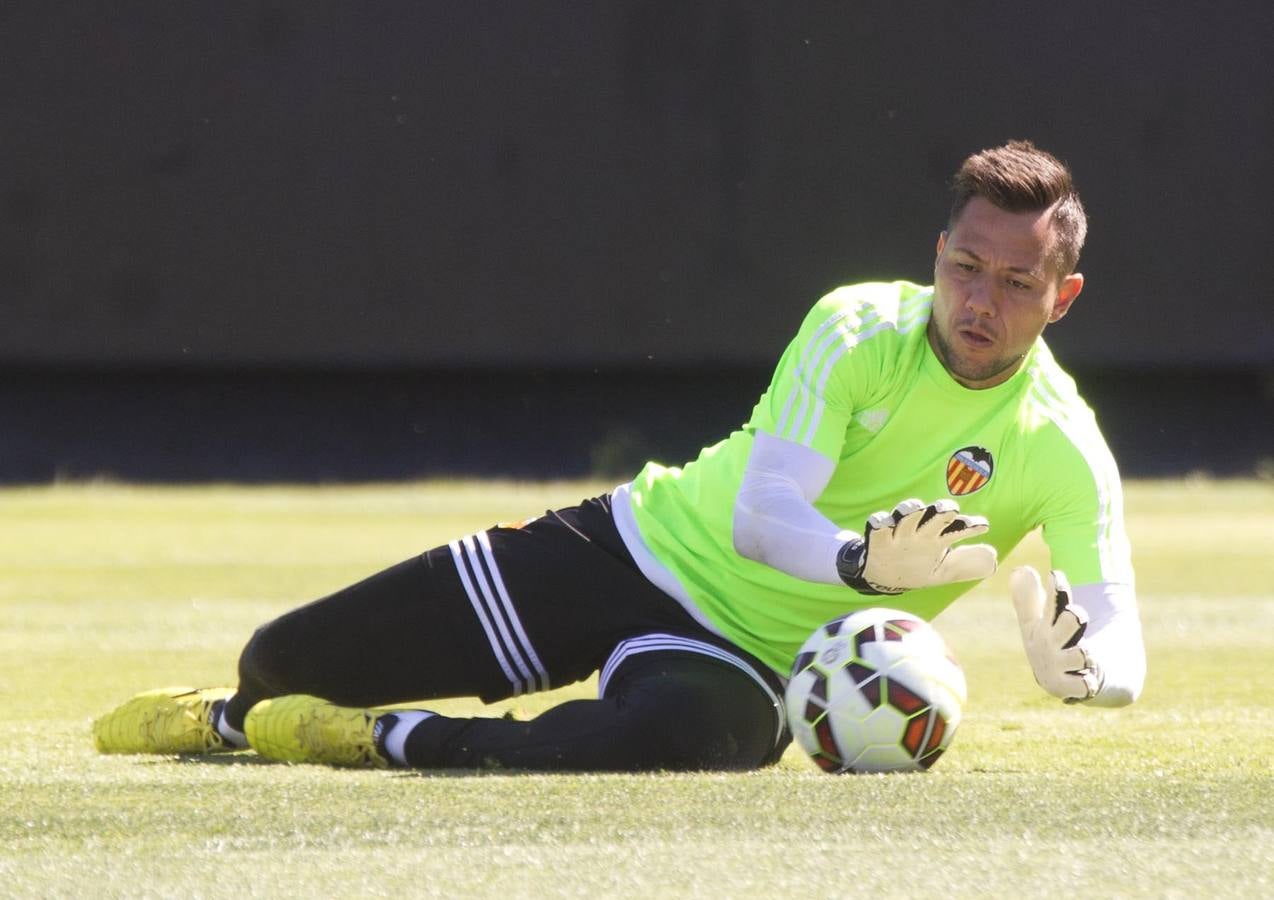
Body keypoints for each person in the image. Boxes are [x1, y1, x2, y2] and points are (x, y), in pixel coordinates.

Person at [93, 140, 1146, 772]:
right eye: (965, 266)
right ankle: (232, 719)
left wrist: (1083, 674)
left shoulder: (1061, 445)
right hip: (638, 551)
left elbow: (1117, 643)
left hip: (753, 666)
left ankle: (382, 742)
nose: (978, 299)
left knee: (659, 747)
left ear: (1063, 297)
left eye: (1015, 283)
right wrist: (859, 568)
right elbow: (759, 515)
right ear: (937, 255)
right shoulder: (855, 328)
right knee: (284, 660)